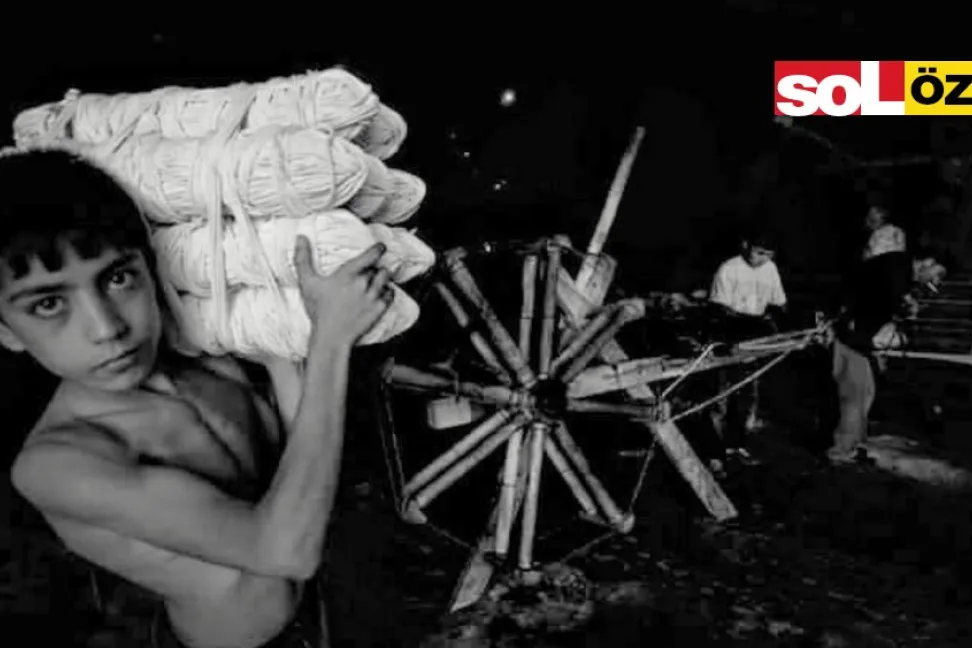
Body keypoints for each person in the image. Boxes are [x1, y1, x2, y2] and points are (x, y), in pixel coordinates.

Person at [1, 149, 393, 647]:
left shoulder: (206, 363)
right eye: (49, 303)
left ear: (149, 267)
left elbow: (299, 462)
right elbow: (284, 552)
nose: (107, 329)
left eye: (118, 278)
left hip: (324, 598)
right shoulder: (58, 463)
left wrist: (287, 350)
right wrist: (331, 340)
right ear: (5, 330)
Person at [707, 227, 787, 464]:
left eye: (768, 255)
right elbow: (719, 310)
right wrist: (732, 341)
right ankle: (715, 452)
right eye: (759, 252)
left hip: (754, 338)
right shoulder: (729, 269)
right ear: (745, 245)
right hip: (729, 334)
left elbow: (779, 303)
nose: (763, 259)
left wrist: (774, 330)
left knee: (747, 397)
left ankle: (737, 445)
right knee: (721, 398)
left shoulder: (770, 269)